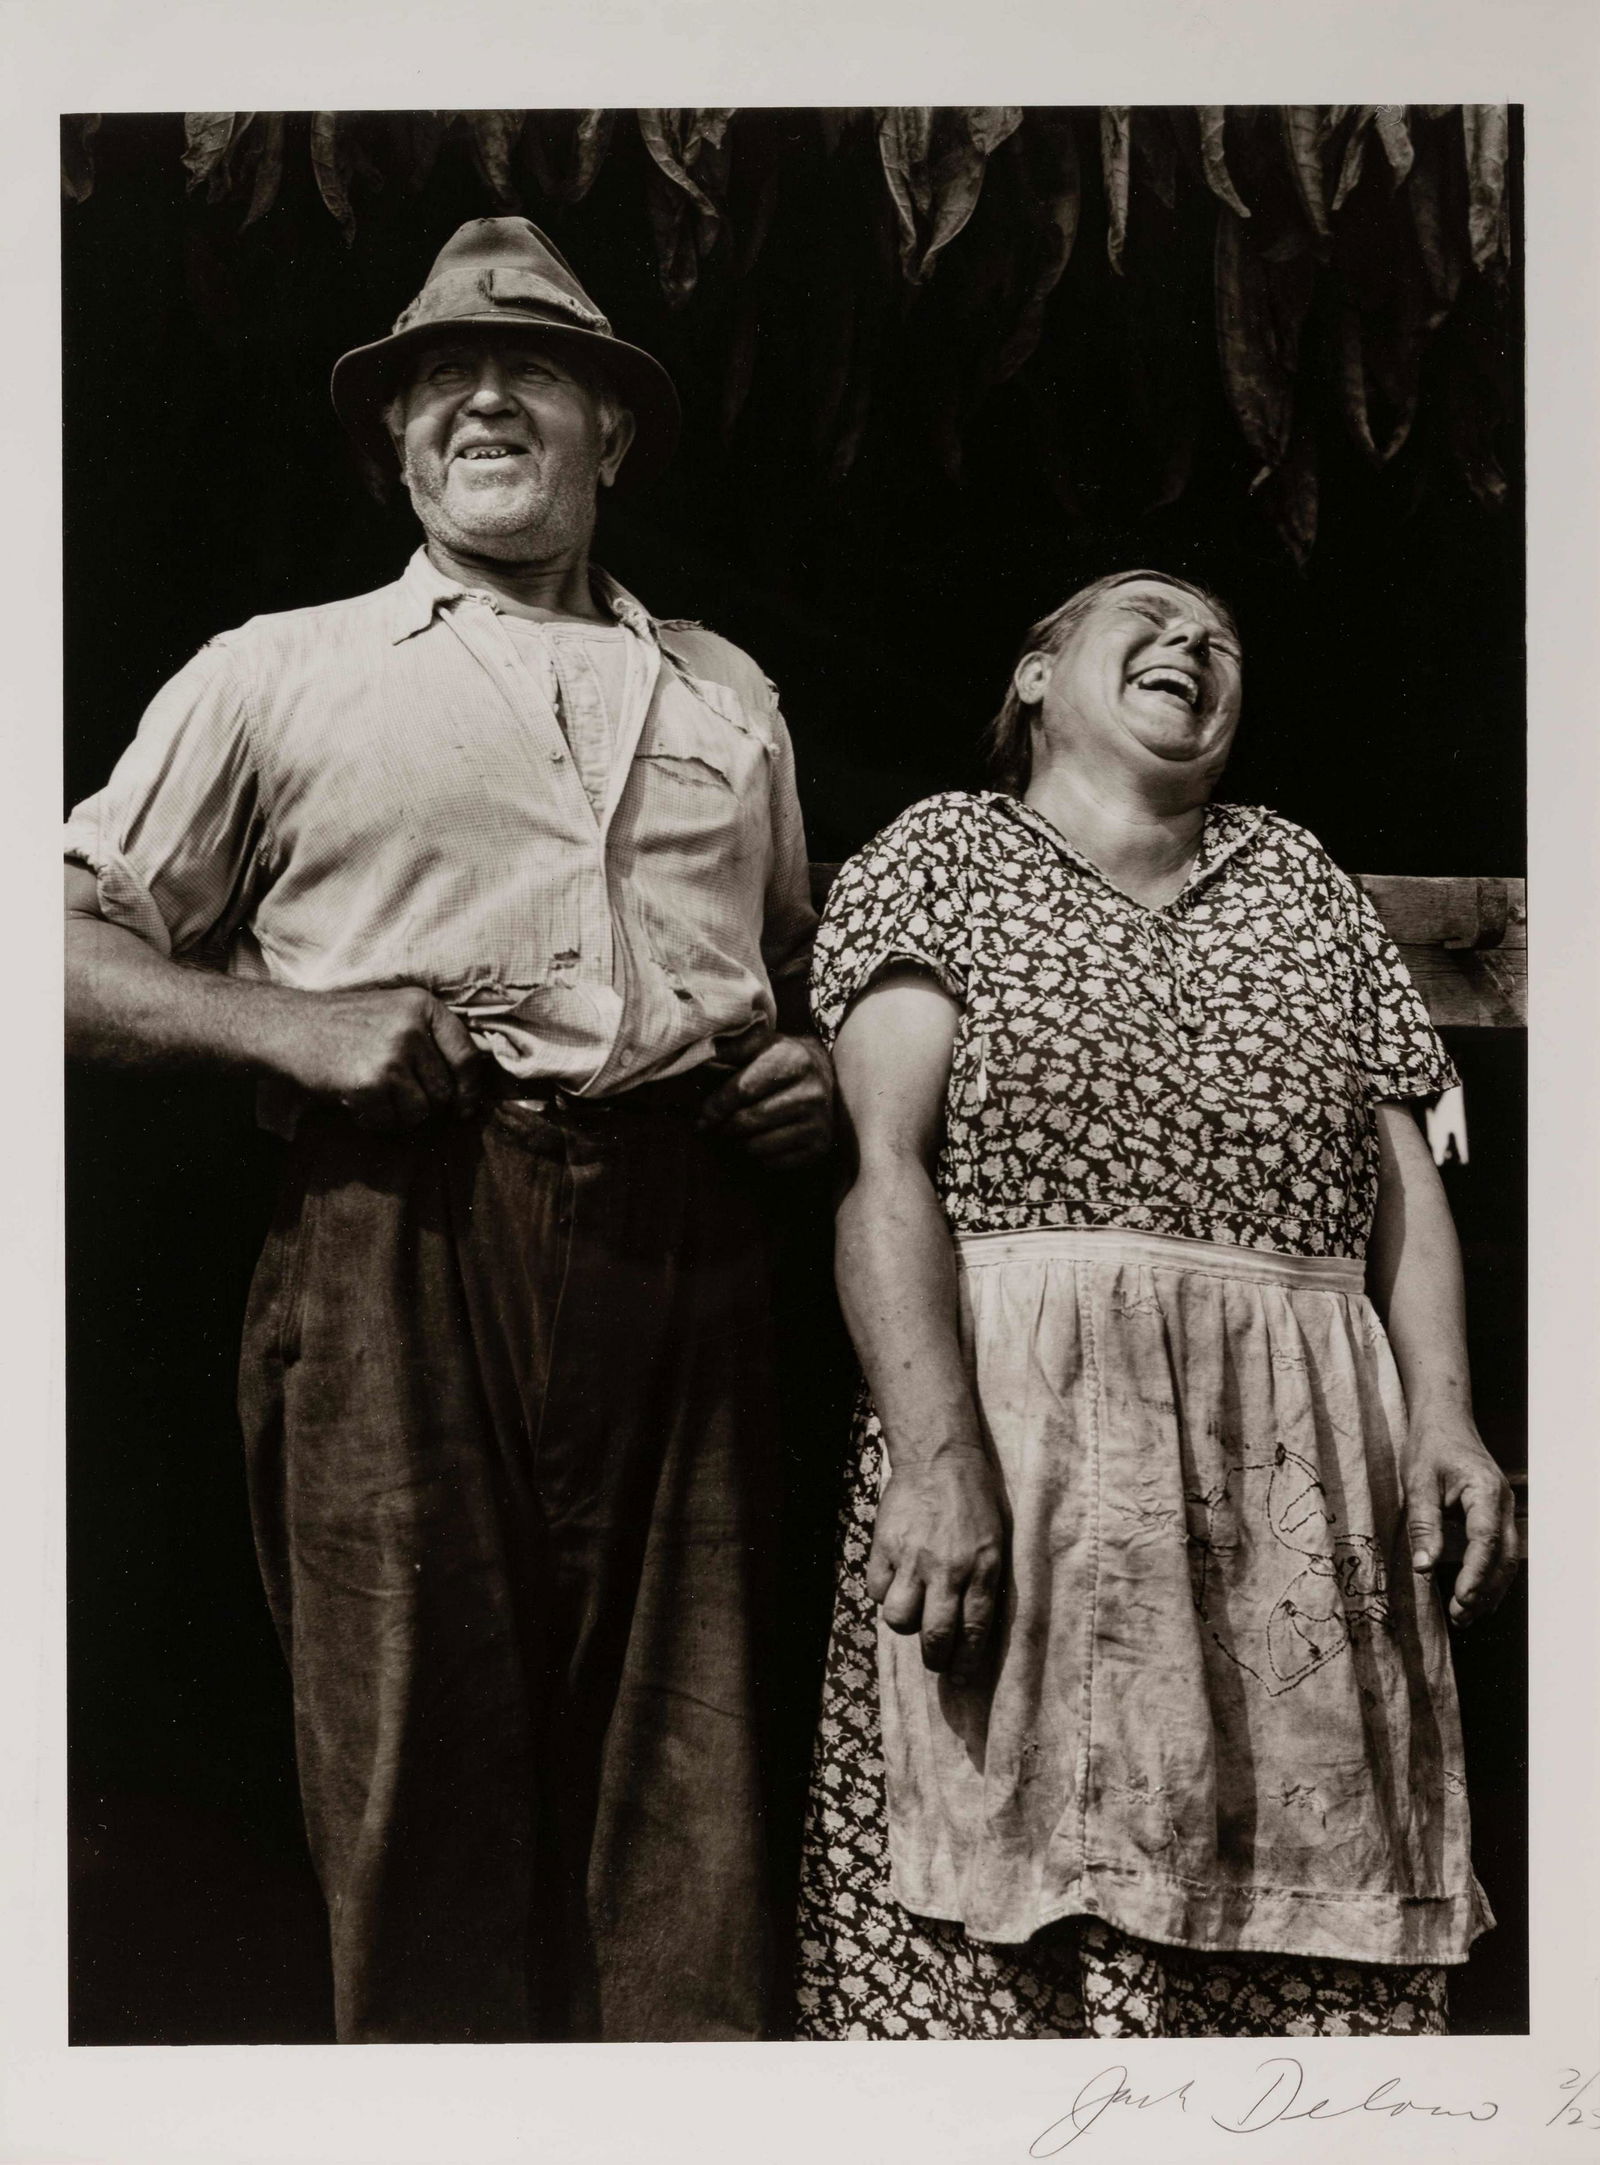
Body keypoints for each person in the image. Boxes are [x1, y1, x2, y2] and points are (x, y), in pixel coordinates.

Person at [63, 216, 833, 2044]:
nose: (486, 398)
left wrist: (801, 1070)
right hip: (402, 1233)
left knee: (697, 1803)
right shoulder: (281, 668)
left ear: (610, 434)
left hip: (687, 1244)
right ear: (400, 443)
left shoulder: (730, 691)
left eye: (535, 368)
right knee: (419, 1785)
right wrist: (286, 1025)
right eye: (441, 382)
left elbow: (787, 956)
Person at [792, 569, 1519, 2040]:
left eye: (1224, 640)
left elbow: (1404, 1197)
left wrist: (1447, 1418)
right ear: (1038, 675)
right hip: (1021, 1460)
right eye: (1151, 613)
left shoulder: (1297, 876)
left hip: (1294, 1489)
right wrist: (937, 1460)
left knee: (1302, 1951)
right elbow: (885, 1170)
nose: (1195, 641)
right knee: (998, 1935)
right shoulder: (947, 850)